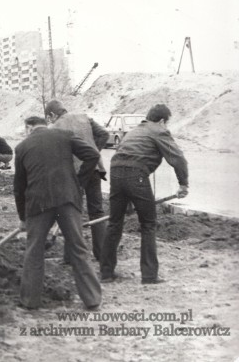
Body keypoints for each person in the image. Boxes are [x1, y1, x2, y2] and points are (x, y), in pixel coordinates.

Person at [14, 116, 102, 310]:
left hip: (38, 204)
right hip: (67, 199)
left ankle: (30, 301)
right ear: (45, 124)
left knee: (34, 250)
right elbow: (93, 155)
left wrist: (23, 218)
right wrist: (78, 182)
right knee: (78, 247)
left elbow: (19, 187)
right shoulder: (65, 136)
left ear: (28, 127)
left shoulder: (22, 147)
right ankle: (92, 299)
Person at [100, 104, 189, 285]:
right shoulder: (158, 130)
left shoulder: (134, 131)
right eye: (167, 123)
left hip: (116, 173)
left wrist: (129, 201)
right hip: (136, 175)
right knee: (148, 224)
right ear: (162, 121)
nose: (166, 127)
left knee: (114, 222)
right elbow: (178, 158)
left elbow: (124, 159)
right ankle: (149, 276)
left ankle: (106, 273)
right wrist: (183, 184)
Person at [45, 99, 109, 261]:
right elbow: (104, 134)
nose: (49, 121)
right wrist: (93, 151)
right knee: (97, 211)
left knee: (71, 213)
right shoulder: (84, 117)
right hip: (93, 169)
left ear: (52, 115)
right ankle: (102, 254)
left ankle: (72, 256)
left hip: (73, 174)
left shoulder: (55, 128)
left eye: (48, 117)